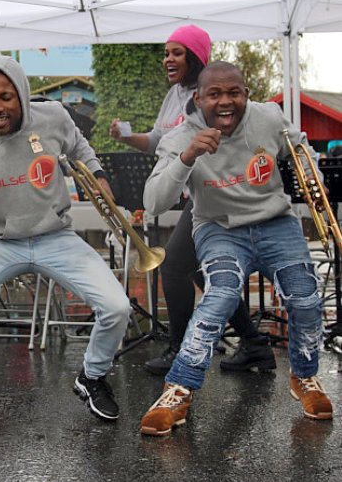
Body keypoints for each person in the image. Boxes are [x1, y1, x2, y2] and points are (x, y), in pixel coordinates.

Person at [0, 55, 132, 443]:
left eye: (5, 97)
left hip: (55, 236)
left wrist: (99, 176)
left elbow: (80, 148)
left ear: (21, 93)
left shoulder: (53, 117)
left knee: (117, 306)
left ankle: (92, 376)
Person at [139, 62, 333, 436]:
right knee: (221, 296)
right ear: (198, 99)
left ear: (246, 94)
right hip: (219, 227)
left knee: (306, 298)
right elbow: (153, 202)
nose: (225, 102)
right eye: (214, 94)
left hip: (276, 222)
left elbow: (300, 147)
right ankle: (178, 389)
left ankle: (305, 376)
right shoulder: (181, 136)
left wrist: (315, 179)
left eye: (233, 93)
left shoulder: (268, 116)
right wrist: (187, 158)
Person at [109, 25, 273, 374]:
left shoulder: (214, 93)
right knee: (199, 270)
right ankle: (254, 344)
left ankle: (179, 350)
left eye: (177, 52)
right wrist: (126, 137)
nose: (167, 59)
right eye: (166, 53)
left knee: (173, 265)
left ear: (196, 57)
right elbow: (158, 141)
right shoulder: (174, 96)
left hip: (217, 191)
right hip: (192, 194)